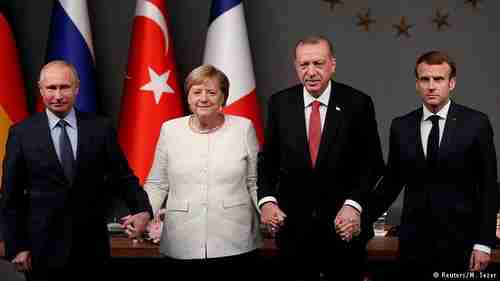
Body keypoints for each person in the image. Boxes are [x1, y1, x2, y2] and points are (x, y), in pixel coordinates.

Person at [1, 60, 153, 281]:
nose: (58, 95)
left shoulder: (100, 128)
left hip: (91, 247)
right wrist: (17, 246)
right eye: (51, 88)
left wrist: (142, 209)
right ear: (41, 89)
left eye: (64, 87)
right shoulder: (22, 133)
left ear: (77, 88)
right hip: (41, 249)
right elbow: (11, 196)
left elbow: (123, 177)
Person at [257, 36, 385, 281]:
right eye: (304, 65)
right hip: (294, 231)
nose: (311, 72)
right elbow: (268, 161)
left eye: (318, 63)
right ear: (296, 67)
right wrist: (267, 201)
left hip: (343, 229)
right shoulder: (280, 103)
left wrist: (353, 205)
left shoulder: (357, 103)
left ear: (332, 65)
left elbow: (372, 164)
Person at [368, 51, 498, 280]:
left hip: (462, 244)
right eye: (424, 79)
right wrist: (358, 218)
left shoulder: (476, 124)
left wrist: (484, 243)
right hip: (414, 245)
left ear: (452, 83)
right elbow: (391, 183)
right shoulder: (402, 126)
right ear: (417, 84)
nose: (431, 86)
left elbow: (488, 186)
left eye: (438, 79)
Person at [142, 65, 261, 280]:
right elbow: (157, 183)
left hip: (236, 241)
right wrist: (142, 213)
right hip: (182, 241)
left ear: (223, 97)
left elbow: (254, 182)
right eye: (197, 92)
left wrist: (269, 212)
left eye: (211, 92)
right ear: (188, 97)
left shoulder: (243, 128)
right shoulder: (170, 129)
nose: (203, 98)